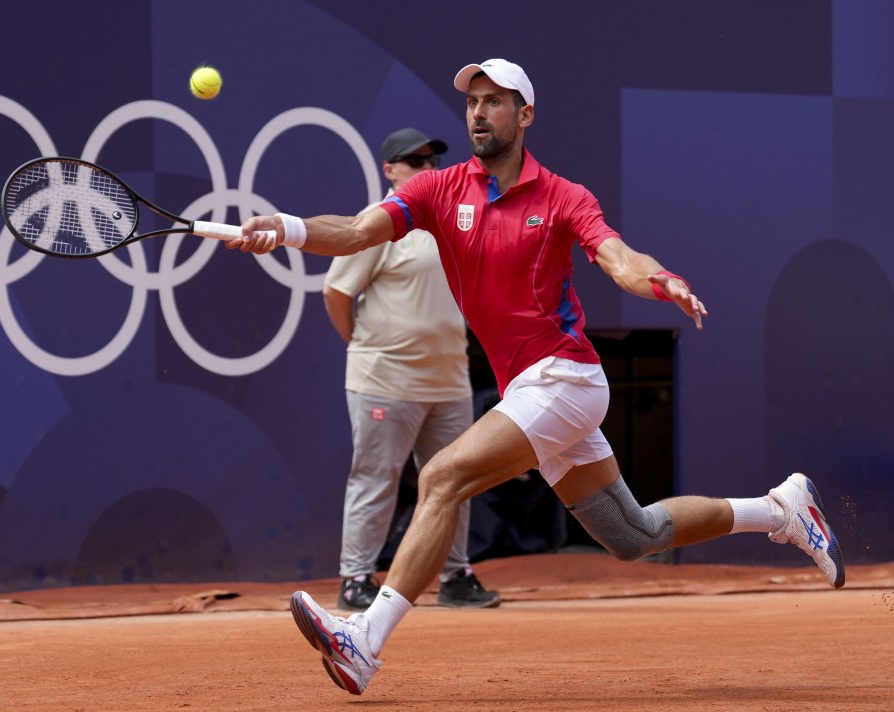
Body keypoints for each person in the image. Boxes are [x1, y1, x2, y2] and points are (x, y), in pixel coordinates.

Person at [229, 58, 846, 696]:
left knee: (441, 476)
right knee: (635, 535)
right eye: (472, 101)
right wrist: (290, 229)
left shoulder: (563, 197)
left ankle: (364, 641)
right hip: (529, 386)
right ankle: (779, 510)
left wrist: (661, 281)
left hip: (565, 378)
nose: (478, 112)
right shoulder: (437, 190)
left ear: (524, 115)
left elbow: (619, 258)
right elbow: (357, 232)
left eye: (495, 101)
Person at [325, 128, 499, 611]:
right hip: (385, 379)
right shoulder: (378, 223)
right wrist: (363, 345)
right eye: (413, 161)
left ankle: (455, 576)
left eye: (431, 160)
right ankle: (356, 577)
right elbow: (336, 293)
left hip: (450, 380)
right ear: (389, 171)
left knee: (456, 479)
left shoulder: (453, 220)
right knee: (376, 477)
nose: (426, 167)